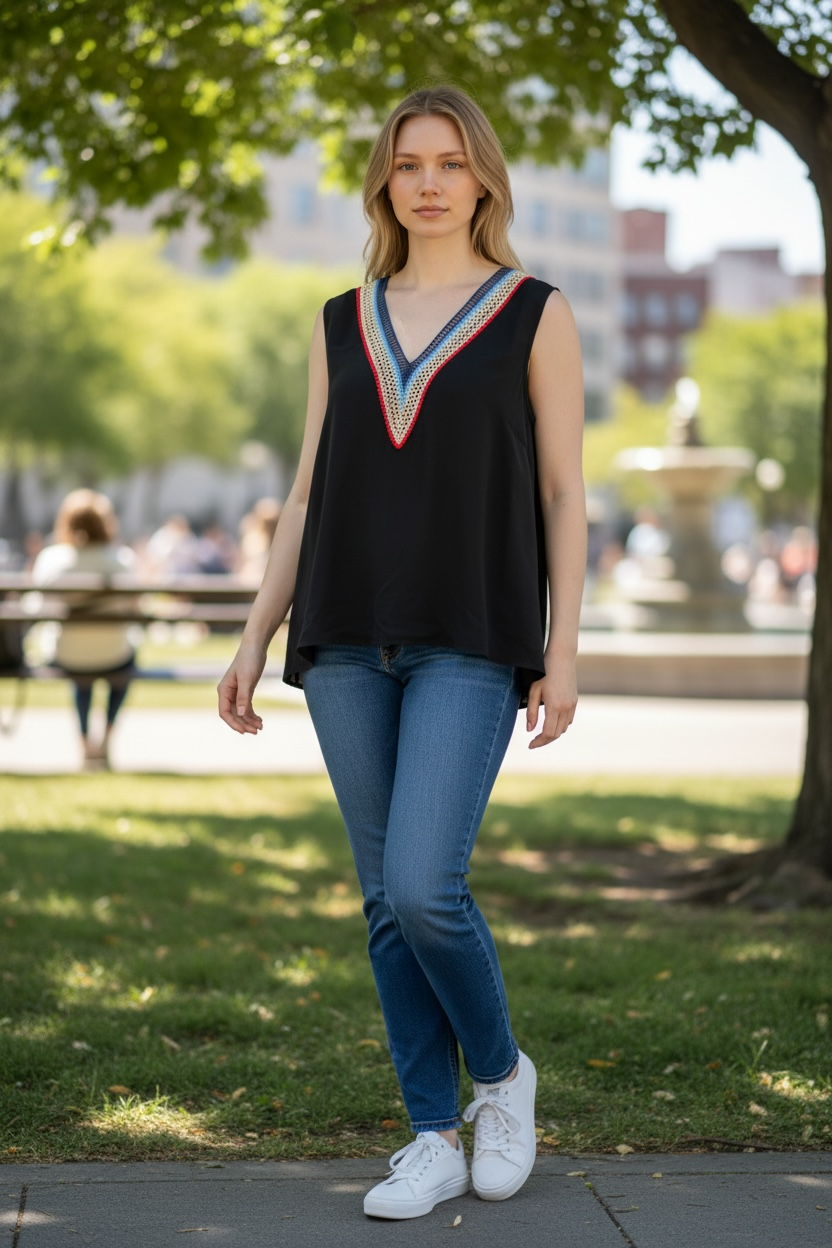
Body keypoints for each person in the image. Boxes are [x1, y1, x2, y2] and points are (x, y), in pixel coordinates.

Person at [218, 84, 586, 1221]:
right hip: (340, 636)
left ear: (482, 178)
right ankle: (430, 1133)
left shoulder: (534, 310)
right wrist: (253, 632)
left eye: (450, 162)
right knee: (383, 900)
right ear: (386, 183)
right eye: (408, 164)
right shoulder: (344, 316)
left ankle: (502, 1074)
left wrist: (560, 652)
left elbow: (567, 494)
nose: (428, 181)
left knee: (428, 887)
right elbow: (307, 487)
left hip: (471, 636)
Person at [31, 489, 139, 768]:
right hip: (113, 653)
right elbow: (135, 608)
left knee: (81, 676)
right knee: (125, 664)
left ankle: (83, 742)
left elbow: (36, 606)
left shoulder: (52, 559)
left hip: (68, 654)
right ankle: (106, 735)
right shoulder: (121, 560)